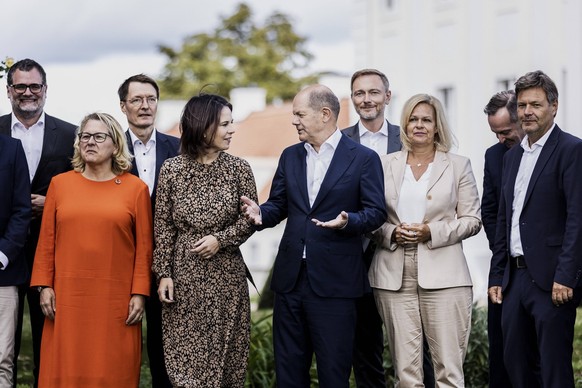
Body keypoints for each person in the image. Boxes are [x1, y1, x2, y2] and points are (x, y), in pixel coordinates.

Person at [241, 84, 387, 388]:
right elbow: (279, 205)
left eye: (299, 113)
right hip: (291, 281)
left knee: (334, 374)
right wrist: (260, 214)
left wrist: (349, 221)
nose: (294, 120)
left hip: (336, 284)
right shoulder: (290, 155)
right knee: (289, 375)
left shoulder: (363, 158)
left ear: (324, 114)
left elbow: (376, 213)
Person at [30, 112, 152, 387]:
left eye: (99, 136)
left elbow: (145, 248)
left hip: (116, 301)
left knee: (112, 371)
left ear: (116, 144)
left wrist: (140, 293)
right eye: (85, 136)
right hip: (66, 300)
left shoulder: (136, 189)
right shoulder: (60, 184)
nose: (90, 142)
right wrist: (43, 286)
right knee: (65, 369)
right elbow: (46, 241)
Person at [369, 93, 481, 386]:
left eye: (426, 120)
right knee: (406, 373)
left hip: (446, 277)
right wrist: (392, 232)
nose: (419, 125)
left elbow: (472, 220)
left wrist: (431, 231)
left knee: (448, 371)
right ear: (404, 125)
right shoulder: (383, 165)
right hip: (393, 276)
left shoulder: (458, 165)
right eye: (413, 119)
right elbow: (370, 218)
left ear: (437, 126)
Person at [153, 93, 258, 387]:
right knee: (184, 367)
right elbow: (163, 227)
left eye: (231, 123)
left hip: (227, 280)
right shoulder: (172, 170)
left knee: (227, 364)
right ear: (204, 126)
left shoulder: (240, 169)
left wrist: (220, 240)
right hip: (184, 281)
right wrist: (164, 274)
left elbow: (250, 220)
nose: (232, 130)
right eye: (225, 124)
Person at [488, 70, 582, 388]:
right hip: (513, 281)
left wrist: (566, 276)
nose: (527, 112)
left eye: (536, 104)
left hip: (551, 281)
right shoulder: (512, 157)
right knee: (516, 367)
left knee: (554, 372)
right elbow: (504, 218)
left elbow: (577, 218)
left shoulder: (571, 150)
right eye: (523, 105)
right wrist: (496, 275)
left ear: (553, 107)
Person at [342, 68, 435, 388]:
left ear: (387, 96)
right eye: (359, 93)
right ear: (352, 98)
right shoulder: (339, 142)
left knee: (416, 342)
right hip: (356, 255)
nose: (366, 100)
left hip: (406, 251)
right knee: (364, 344)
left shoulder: (409, 137)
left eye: (373, 92)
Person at [0, 58, 76, 387]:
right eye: (20, 86)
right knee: (3, 344)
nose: (28, 92)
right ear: (9, 90)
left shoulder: (72, 134)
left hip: (53, 249)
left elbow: (86, 187)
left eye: (34, 86)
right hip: (4, 249)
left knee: (50, 336)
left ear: (45, 90)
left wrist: (56, 203)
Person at [118, 73, 180, 388]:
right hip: (119, 261)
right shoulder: (107, 150)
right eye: (137, 100)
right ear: (123, 106)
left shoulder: (180, 149)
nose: (145, 106)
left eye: (151, 99)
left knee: (163, 352)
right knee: (114, 345)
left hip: (167, 265)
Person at [482, 90, 523, 388]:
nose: (500, 139)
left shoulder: (563, 150)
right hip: (505, 268)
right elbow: (490, 210)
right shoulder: (493, 155)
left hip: (545, 270)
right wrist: (500, 258)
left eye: (505, 132)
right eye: (495, 133)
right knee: (502, 352)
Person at [0, 135, 31, 386]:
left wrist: (2, 254)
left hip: (3, 273)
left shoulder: (12, 148)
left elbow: (22, 210)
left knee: (2, 359)